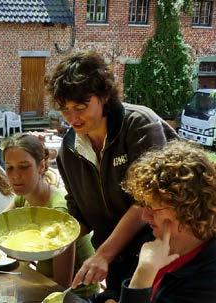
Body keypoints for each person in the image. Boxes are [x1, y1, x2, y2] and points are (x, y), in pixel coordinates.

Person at [47, 50, 178, 301]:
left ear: (104, 96)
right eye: (64, 109)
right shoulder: (68, 151)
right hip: (117, 263)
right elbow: (78, 212)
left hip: (162, 256)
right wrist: (49, 239)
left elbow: (148, 199)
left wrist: (104, 254)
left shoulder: (139, 125)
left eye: (80, 107)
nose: (72, 118)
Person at [0, 133, 99, 298]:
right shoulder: (22, 198)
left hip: (76, 297)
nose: (15, 175)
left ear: (41, 166)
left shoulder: (58, 213)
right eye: (9, 167)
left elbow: (61, 286)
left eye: (24, 166)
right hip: (40, 285)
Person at [115, 140, 216, 303]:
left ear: (187, 209)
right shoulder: (155, 238)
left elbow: (133, 288)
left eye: (153, 208)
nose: (144, 216)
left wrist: (144, 273)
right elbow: (116, 291)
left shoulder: (210, 285)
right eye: (144, 205)